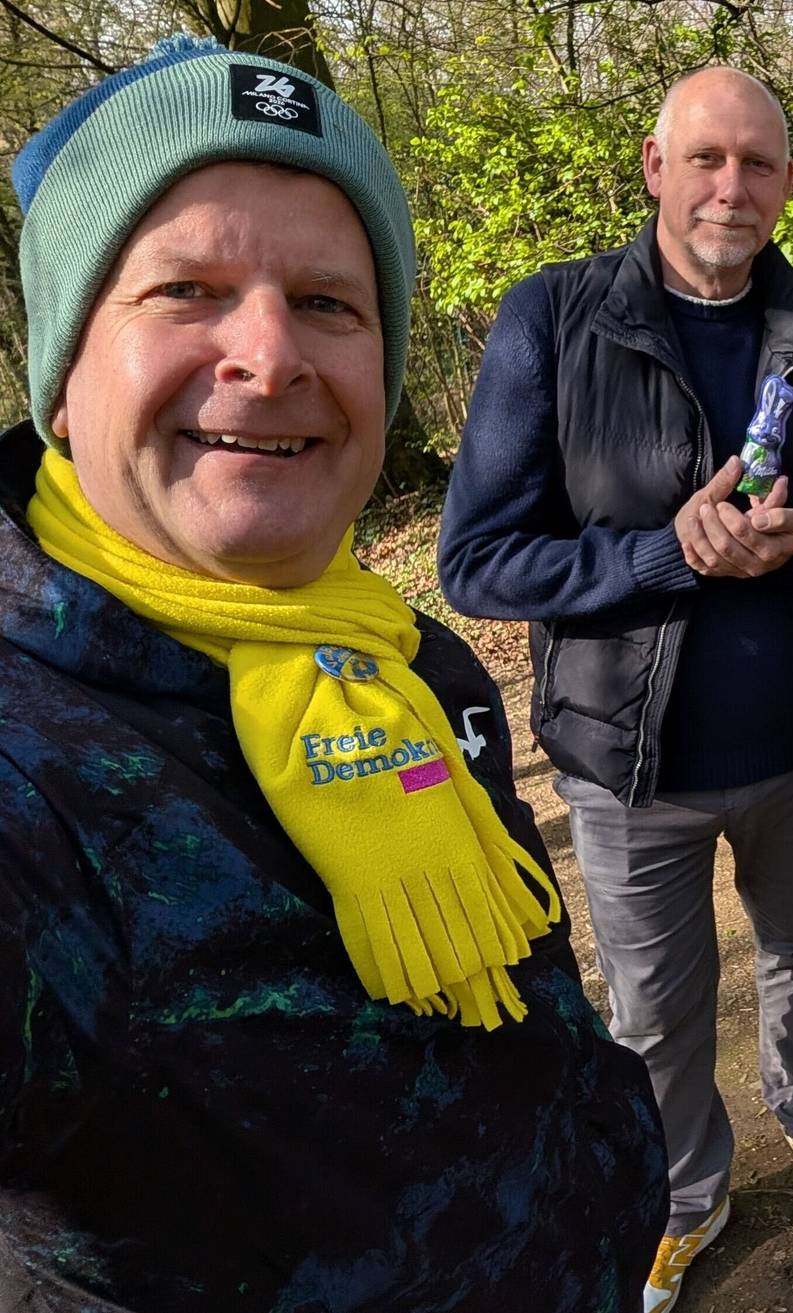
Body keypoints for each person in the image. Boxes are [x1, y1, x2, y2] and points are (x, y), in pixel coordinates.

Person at [0, 36, 666, 1311]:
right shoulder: (35, 777)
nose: (269, 353)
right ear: (64, 374)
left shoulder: (401, 658)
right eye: (186, 289)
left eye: (327, 302)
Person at [438, 64, 793, 1307]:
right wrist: (670, 551)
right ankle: (686, 1189)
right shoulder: (553, 317)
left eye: (758, 163)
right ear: (655, 167)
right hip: (627, 759)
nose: (731, 185)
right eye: (706, 157)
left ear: (787, 184)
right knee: (654, 1005)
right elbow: (478, 561)